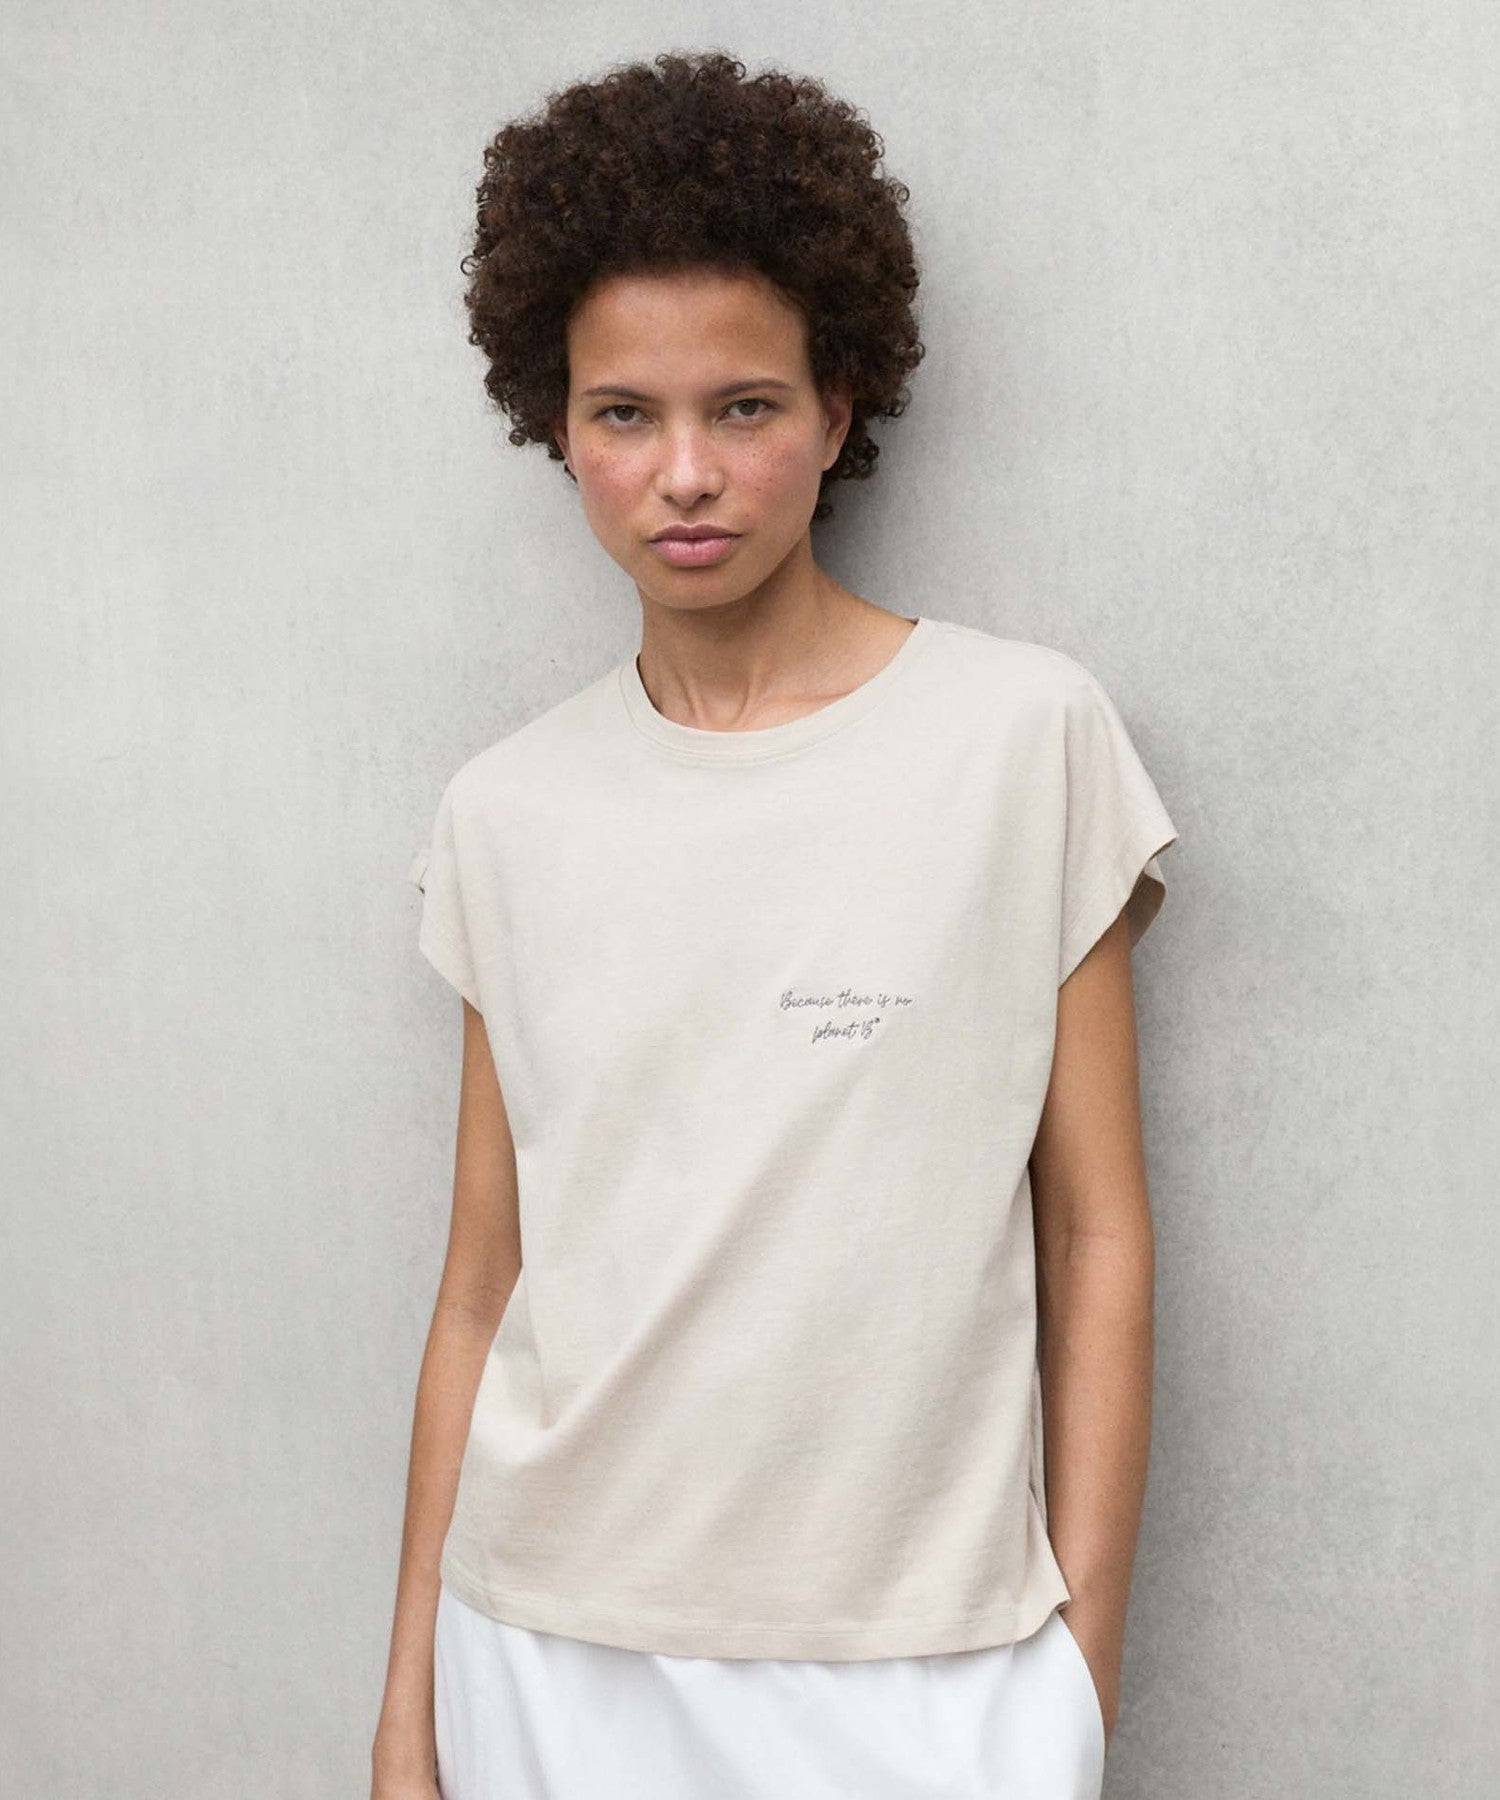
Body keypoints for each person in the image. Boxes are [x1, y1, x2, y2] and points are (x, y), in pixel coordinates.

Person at [372, 49, 1179, 1800]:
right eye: (623, 414)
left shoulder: (1022, 740)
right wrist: (407, 1719)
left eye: (743, 406)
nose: (684, 473)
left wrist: (1075, 1677)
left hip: (926, 1664)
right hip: (546, 1648)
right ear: (555, 424)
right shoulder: (504, 812)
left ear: (838, 403)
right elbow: (481, 1286)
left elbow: (1098, 1231)